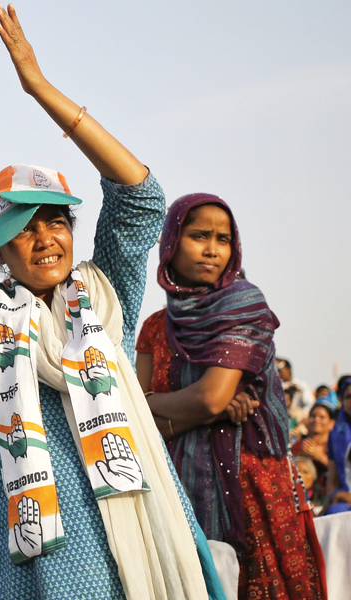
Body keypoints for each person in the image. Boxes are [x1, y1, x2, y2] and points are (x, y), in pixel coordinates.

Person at [0, 5, 221, 599]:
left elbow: (142, 196)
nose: (45, 236)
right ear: (1, 253)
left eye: (55, 221)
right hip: (38, 558)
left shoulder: (107, 295)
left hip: (133, 533)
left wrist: (38, 86)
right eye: (24, 227)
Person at [135, 193, 326, 599]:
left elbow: (206, 398)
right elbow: (142, 419)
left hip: (253, 483)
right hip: (178, 488)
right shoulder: (155, 327)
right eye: (199, 236)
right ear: (171, 243)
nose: (212, 250)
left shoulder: (244, 305)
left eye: (223, 239)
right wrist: (203, 411)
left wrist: (153, 404)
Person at [324, 377, 351, 514]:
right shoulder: (335, 435)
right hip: (346, 500)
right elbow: (332, 482)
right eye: (348, 397)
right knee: (336, 511)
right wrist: (337, 495)